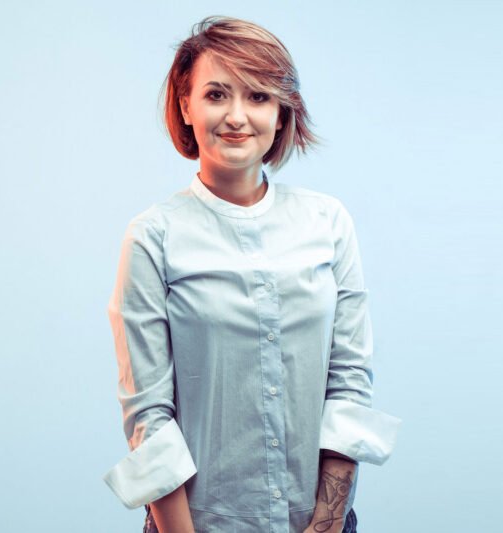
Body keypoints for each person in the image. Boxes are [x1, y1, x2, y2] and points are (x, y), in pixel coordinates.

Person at [103, 16, 401, 533]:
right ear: (185, 105)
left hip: (319, 523)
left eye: (259, 96)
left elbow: (349, 381)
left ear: (282, 113)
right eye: (216, 94)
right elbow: (149, 415)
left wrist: (326, 524)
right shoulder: (153, 236)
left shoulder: (328, 222)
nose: (237, 117)